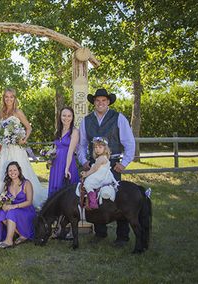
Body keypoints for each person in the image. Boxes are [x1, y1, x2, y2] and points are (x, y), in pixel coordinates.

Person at [78, 88, 135, 246]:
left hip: (112, 166)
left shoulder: (118, 118)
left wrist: (124, 163)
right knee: (94, 196)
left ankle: (123, 236)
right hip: (94, 166)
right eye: (97, 101)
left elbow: (129, 142)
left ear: (108, 102)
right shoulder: (87, 120)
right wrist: (84, 160)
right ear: (94, 102)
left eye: (104, 100)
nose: (100, 103)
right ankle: (100, 233)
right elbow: (82, 144)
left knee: (117, 198)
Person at [0, 88, 47, 208]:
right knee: (1, 173)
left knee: (21, 172)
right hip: (5, 149)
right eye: (6, 97)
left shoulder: (18, 112)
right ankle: (1, 200)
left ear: (15, 98)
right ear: (3, 98)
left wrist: (23, 139)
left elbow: (28, 128)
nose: (9, 99)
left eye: (11, 97)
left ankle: (22, 198)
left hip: (16, 149)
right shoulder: (1, 112)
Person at [0, 161, 36, 249]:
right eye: (10, 171)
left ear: (19, 171)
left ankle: (8, 241)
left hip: (26, 209)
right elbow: (4, 199)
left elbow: (29, 202)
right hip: (14, 210)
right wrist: (4, 205)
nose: (12, 172)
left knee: (11, 213)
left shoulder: (26, 183)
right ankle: (22, 235)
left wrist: (14, 206)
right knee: (1, 213)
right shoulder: (7, 185)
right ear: (7, 172)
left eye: (15, 170)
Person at [48, 106, 80, 197]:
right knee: (54, 190)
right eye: (64, 115)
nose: (66, 118)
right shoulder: (58, 131)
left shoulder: (74, 132)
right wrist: (49, 157)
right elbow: (55, 148)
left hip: (67, 163)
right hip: (56, 164)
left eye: (69, 116)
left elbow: (70, 152)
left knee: (65, 191)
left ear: (72, 117)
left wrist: (67, 168)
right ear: (60, 117)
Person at [80, 137, 118, 209]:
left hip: (100, 177)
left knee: (87, 184)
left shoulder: (101, 158)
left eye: (100, 147)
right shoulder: (102, 157)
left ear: (105, 148)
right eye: (96, 147)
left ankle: (93, 201)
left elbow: (94, 169)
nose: (97, 149)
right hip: (101, 175)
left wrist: (86, 174)